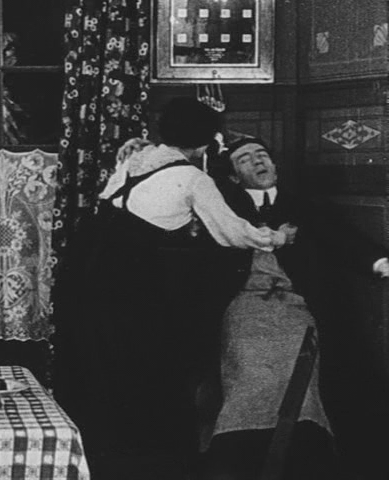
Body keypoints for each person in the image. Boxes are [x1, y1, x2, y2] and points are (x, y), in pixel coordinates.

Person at [51, 98, 286, 479]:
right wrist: (275, 237)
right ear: (206, 141)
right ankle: (144, 459)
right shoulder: (193, 178)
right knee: (141, 359)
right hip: (126, 275)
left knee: (98, 357)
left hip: (86, 267)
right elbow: (231, 233)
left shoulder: (137, 158)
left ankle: (97, 454)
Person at [198, 137, 389, 480]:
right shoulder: (221, 208)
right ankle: (237, 459)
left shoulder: (303, 206)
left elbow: (342, 238)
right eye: (245, 159)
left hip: (295, 307)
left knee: (299, 370)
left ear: (275, 164)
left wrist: (379, 263)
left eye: (262, 155)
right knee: (246, 364)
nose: (258, 161)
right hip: (244, 308)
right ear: (234, 177)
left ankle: (303, 454)